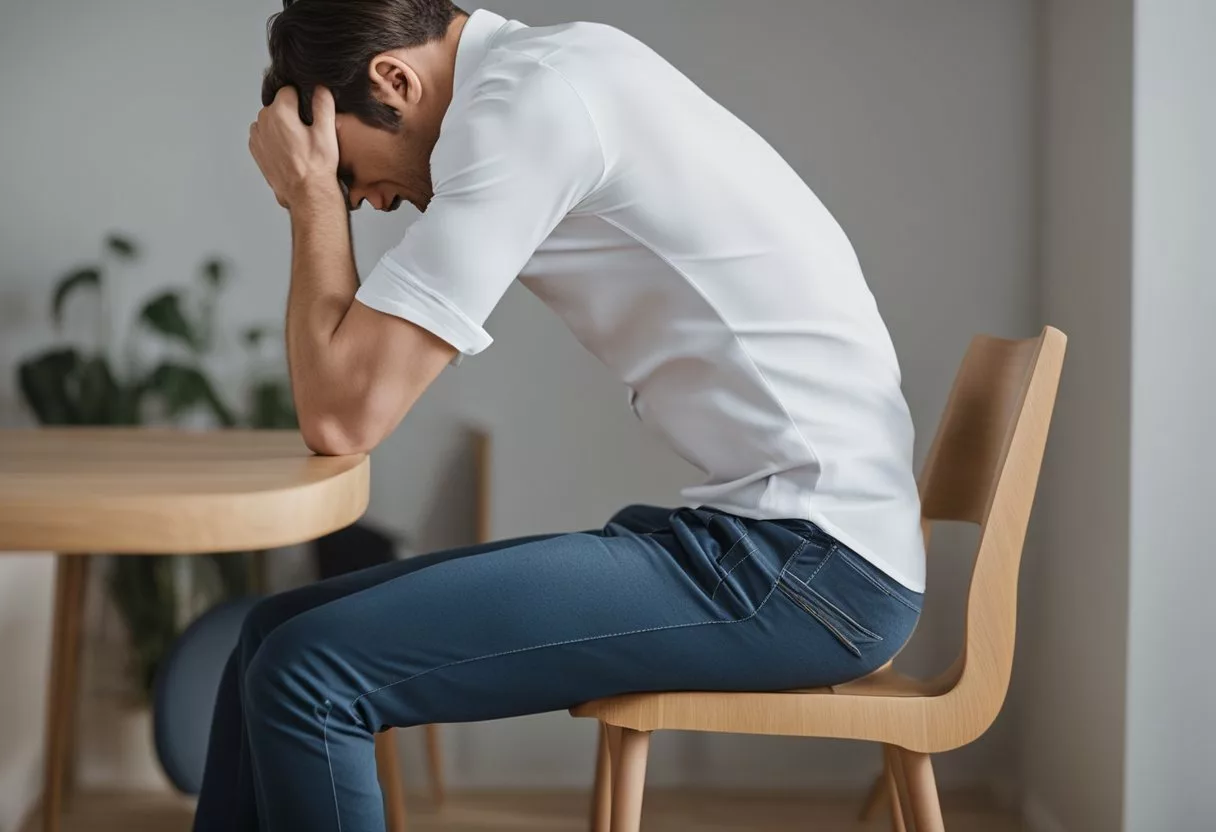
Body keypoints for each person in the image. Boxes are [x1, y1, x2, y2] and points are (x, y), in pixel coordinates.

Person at [196, 2, 926, 829]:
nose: (369, 201)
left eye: (351, 173)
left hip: (805, 572)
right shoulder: (555, 73)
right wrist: (325, 189)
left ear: (394, 80)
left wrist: (308, 202)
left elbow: (343, 418)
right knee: (273, 632)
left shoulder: (528, 108)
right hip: (774, 544)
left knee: (308, 673)